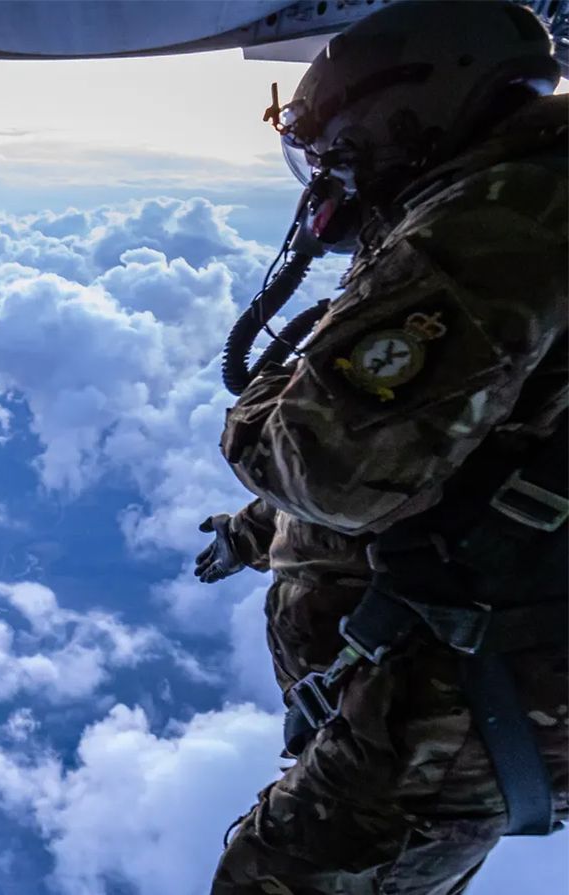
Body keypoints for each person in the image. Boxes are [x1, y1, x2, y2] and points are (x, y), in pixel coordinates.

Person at [212, 2, 568, 890]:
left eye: (331, 143)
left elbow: (331, 471)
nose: (325, 172)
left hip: (463, 701)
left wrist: (260, 408)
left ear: (408, 111)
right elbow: (470, 451)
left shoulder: (502, 219)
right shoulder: (516, 196)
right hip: (466, 685)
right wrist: (255, 531)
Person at [194, 499, 371, 696]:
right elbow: (306, 491)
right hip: (327, 692)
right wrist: (243, 537)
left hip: (376, 679)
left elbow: (330, 483)